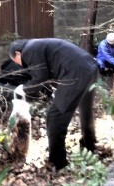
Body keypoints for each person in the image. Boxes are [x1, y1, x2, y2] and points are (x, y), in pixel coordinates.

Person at [9, 38, 99, 170]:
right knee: (85, 110)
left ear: (17, 54)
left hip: (76, 73)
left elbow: (40, 78)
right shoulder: (37, 45)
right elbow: (51, 71)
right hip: (90, 68)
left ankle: (57, 161)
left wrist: (22, 89)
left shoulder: (29, 50)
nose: (18, 64)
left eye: (15, 61)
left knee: (54, 116)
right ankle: (89, 145)